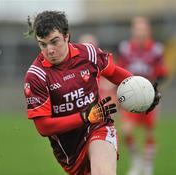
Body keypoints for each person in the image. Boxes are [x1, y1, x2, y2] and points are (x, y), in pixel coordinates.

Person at [23, 11, 159, 175]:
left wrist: (143, 90)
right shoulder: (36, 76)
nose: (50, 50)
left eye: (54, 42)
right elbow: (43, 127)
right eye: (43, 45)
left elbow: (113, 72)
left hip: (98, 126)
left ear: (67, 36)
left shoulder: (89, 54)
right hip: (70, 151)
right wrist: (84, 116)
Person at [117, 16, 168, 175]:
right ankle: (136, 161)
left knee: (149, 132)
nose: (140, 32)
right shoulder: (125, 48)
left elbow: (162, 74)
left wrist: (155, 93)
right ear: (133, 30)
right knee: (126, 130)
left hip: (149, 98)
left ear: (148, 30)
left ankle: (147, 166)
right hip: (131, 97)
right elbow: (118, 72)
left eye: (143, 29)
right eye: (137, 29)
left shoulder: (156, 49)